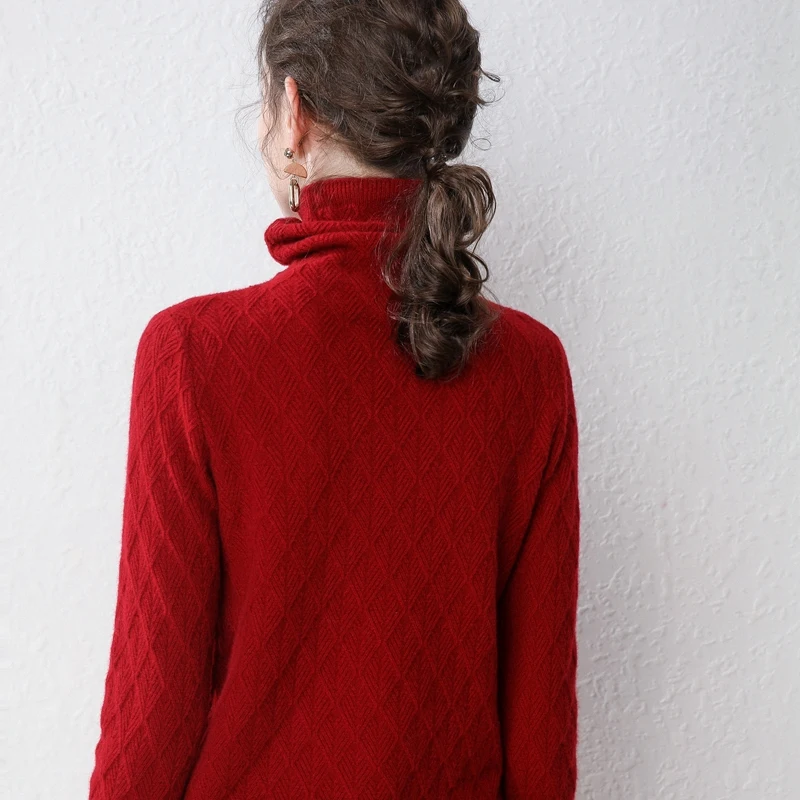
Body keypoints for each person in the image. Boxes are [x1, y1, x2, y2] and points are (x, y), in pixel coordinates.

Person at [87, 1, 581, 797]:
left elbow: (155, 710)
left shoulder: (192, 354)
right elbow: (540, 733)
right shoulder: (532, 368)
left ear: (295, 114)